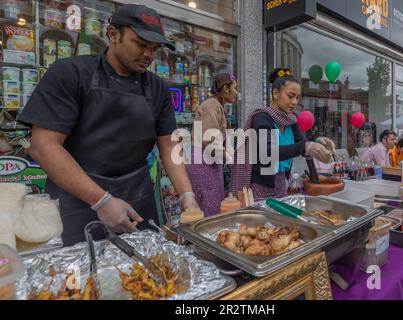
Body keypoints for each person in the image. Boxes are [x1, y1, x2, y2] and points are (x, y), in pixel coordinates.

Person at [18, 5, 198, 246]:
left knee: (148, 273)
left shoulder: (159, 89)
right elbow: (43, 145)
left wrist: (187, 195)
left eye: (154, 49)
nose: (148, 54)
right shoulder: (70, 73)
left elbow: (168, 146)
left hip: (138, 197)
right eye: (141, 44)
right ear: (113, 34)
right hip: (77, 199)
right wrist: (102, 200)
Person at [229, 68, 333, 199]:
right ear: (276, 93)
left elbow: (301, 144)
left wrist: (318, 143)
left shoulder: (291, 119)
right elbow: (267, 152)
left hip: (282, 182)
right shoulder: (262, 118)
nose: (295, 102)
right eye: (290, 96)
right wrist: (306, 146)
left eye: (297, 97)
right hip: (262, 185)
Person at [187, 74, 238, 216]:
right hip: (204, 164)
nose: (236, 92)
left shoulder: (218, 106)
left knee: (214, 205)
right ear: (226, 89)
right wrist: (230, 159)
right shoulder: (211, 105)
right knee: (209, 209)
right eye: (235, 88)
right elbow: (210, 139)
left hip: (210, 163)